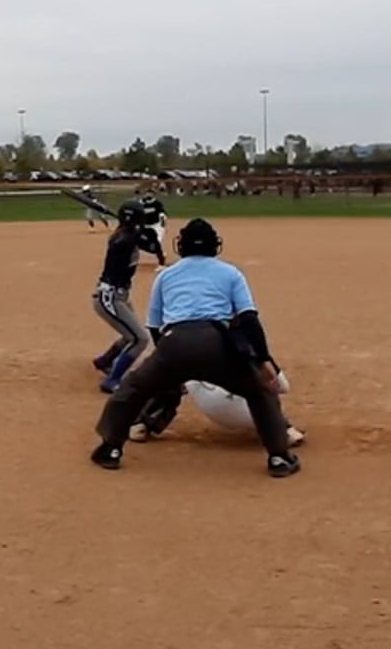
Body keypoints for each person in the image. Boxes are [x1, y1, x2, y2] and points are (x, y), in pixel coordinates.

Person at [91, 218, 302, 477]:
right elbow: (249, 320)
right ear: (215, 245)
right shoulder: (230, 273)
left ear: (181, 245)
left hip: (175, 340)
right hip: (217, 342)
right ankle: (279, 457)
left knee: (132, 388)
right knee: (260, 393)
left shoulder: (166, 275)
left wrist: (166, 363)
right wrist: (263, 359)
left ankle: (111, 448)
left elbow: (155, 326)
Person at [91, 200, 153, 393]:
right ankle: (112, 380)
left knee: (130, 335)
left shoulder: (126, 235)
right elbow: (128, 242)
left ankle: (105, 360)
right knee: (140, 339)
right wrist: (137, 233)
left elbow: (151, 245)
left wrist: (138, 232)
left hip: (119, 295)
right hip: (109, 296)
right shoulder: (122, 240)